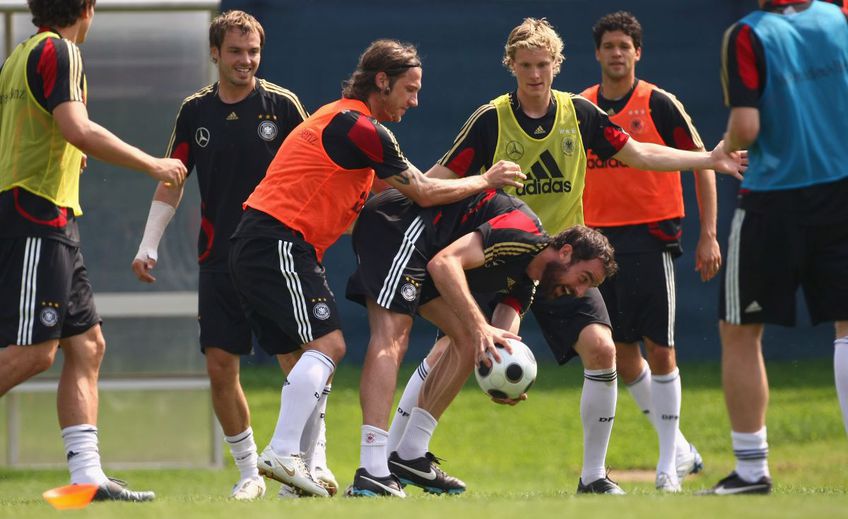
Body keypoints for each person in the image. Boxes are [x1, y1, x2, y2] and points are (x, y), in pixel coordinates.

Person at [386, 17, 745, 495]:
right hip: (500, 252)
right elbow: (441, 176)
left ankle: (594, 476)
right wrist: (395, 197)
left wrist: (709, 159)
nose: (535, 75)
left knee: (602, 349)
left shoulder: (579, 113)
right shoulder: (492, 118)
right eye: (525, 65)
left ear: (557, 65)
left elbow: (639, 153)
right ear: (510, 65)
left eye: (543, 65)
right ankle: (393, 459)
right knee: (453, 345)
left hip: (562, 260)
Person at [227, 39, 523, 497]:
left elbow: (385, 202)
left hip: (262, 243)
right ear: (381, 81)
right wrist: (486, 180)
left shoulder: (340, 123)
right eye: (409, 89)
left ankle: (297, 475)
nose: (415, 101)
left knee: (305, 358)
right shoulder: (360, 127)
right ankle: (283, 451)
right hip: (279, 241)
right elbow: (423, 191)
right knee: (329, 345)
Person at [130, 11, 332, 500]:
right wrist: (148, 244)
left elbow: (317, 170)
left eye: (254, 52)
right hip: (218, 258)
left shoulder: (283, 106)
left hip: (275, 254)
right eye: (237, 51)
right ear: (215, 54)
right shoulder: (194, 111)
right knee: (221, 364)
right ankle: (249, 473)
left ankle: (312, 465)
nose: (246, 61)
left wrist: (313, 239)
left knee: (295, 359)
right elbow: (173, 177)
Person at [0, 0, 186, 502]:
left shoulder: (21, 52)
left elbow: (42, 131)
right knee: (34, 353)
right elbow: (76, 126)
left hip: (49, 212)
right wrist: (152, 163)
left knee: (87, 345)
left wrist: (69, 151)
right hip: (36, 214)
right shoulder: (63, 51)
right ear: (87, 8)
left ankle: (86, 478)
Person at [347, 187, 617, 496]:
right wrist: (479, 328)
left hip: (426, 247)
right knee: (394, 336)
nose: (581, 292)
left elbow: (498, 342)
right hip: (395, 225)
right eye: (583, 279)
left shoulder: (527, 283)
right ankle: (372, 469)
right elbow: (444, 264)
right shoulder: (522, 229)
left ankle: (410, 454)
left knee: (465, 341)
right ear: (566, 252)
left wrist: (501, 376)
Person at [700, 0, 848, 495]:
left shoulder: (747, 34)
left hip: (775, 200)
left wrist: (722, 148)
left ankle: (750, 470)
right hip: (842, 191)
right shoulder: (838, 15)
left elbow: (747, 127)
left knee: (740, 329)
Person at [580, 11, 719, 492]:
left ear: (638, 52)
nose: (617, 53)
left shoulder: (658, 103)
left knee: (661, 349)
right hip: (597, 242)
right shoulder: (582, 107)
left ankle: (667, 467)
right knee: (620, 351)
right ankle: (679, 448)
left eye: (625, 46)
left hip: (649, 239)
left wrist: (709, 234)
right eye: (609, 46)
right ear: (597, 53)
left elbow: (704, 163)